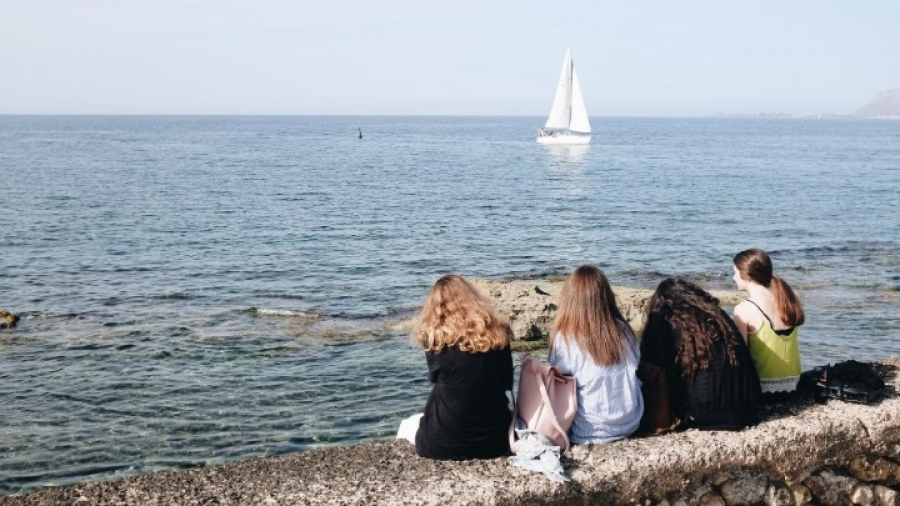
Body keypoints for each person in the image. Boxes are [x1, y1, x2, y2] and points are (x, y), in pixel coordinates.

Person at [396, 274, 513, 460]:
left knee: (406, 425)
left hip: (442, 444)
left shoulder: (435, 340)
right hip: (495, 440)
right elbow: (507, 382)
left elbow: (436, 379)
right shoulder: (500, 334)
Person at [641, 278, 760, 430]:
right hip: (746, 407)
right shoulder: (718, 317)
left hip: (705, 415)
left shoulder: (670, 321)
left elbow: (657, 367)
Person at [548, 265, 643, 443]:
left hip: (590, 431)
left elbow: (557, 378)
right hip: (630, 422)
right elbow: (636, 362)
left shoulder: (566, 337)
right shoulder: (624, 330)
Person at [731, 249, 806, 394]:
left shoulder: (744, 309)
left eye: (735, 273)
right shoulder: (785, 300)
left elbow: (741, 354)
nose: (734, 278)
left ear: (745, 275)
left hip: (763, 387)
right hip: (794, 383)